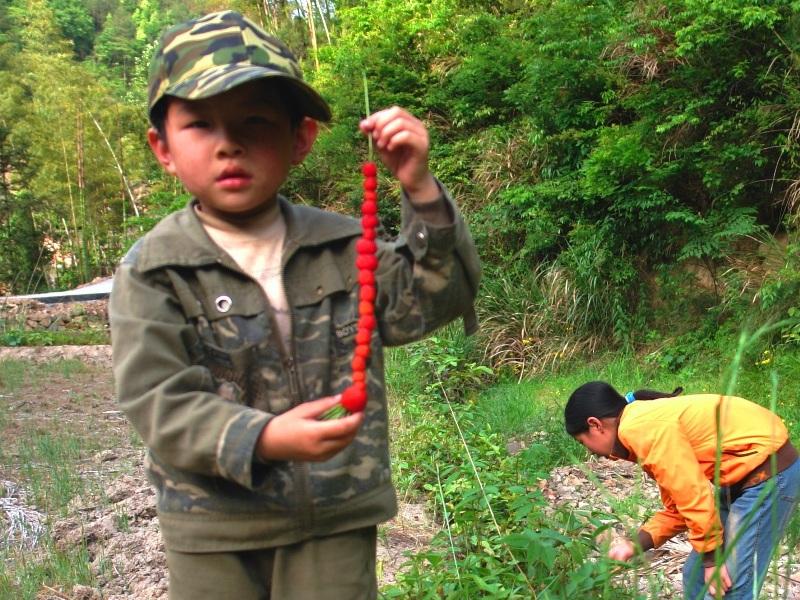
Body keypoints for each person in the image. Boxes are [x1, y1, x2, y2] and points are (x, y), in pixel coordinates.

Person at [109, 10, 480, 600]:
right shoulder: (154, 269)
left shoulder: (341, 243)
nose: (228, 144)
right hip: (215, 528)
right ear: (164, 148)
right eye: (201, 125)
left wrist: (419, 188)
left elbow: (433, 303)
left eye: (253, 121)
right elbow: (158, 401)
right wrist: (264, 439)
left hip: (335, 516)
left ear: (299, 138)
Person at [564, 381, 800, 599]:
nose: (591, 452)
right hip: (742, 477)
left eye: (584, 443)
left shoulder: (639, 429)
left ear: (595, 424)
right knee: (696, 577)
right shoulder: (640, 425)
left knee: (730, 586)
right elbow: (679, 506)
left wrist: (712, 560)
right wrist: (633, 545)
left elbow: (693, 495)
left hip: (769, 476)